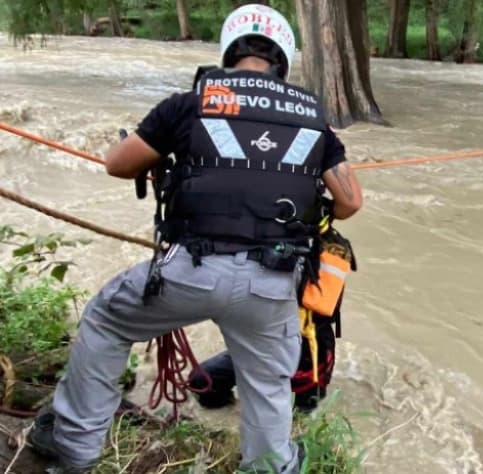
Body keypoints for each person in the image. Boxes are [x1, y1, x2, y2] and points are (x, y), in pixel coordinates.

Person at [26, 4, 363, 474]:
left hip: (190, 271)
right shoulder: (313, 121)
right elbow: (349, 202)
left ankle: (74, 448)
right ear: (282, 59)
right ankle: (271, 467)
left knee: (105, 319)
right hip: (272, 285)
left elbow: (118, 163)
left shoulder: (189, 104)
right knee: (267, 383)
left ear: (229, 51)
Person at [189, 217, 357, 414]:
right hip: (264, 344)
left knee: (297, 422)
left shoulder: (320, 251)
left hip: (305, 354)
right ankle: (230, 421)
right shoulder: (258, 237)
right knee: (202, 382)